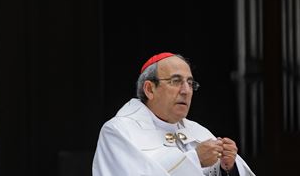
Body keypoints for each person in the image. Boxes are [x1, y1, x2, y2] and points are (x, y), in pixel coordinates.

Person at [93, 53, 255, 176]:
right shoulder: (119, 131)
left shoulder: (198, 132)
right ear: (149, 89)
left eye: (190, 83)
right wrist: (194, 160)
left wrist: (227, 167)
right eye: (175, 81)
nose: (186, 91)